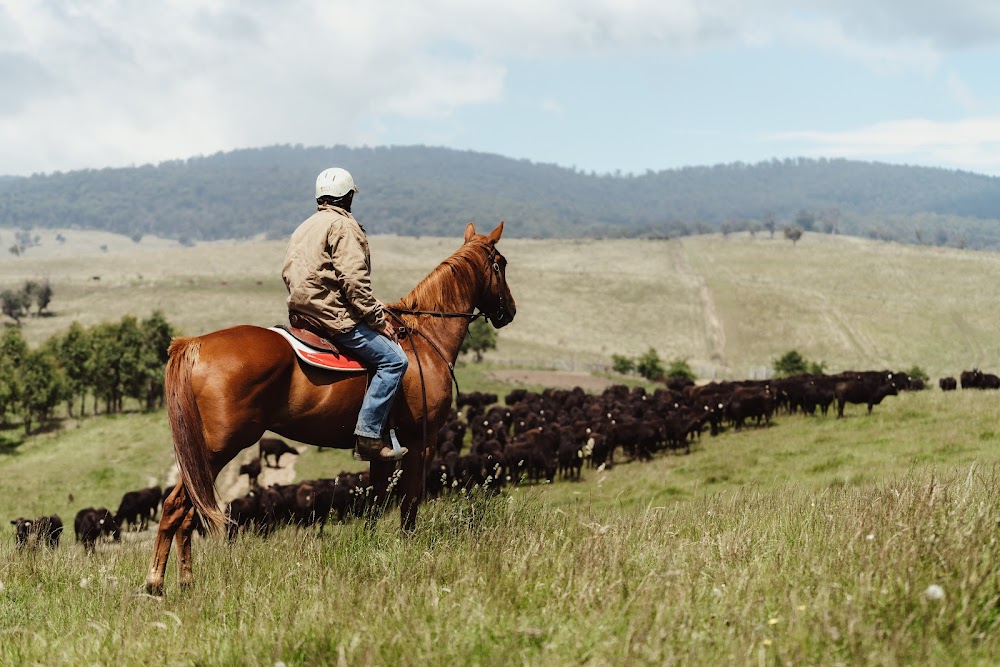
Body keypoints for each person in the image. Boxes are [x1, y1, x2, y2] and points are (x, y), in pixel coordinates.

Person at [282, 167, 409, 462]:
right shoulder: (343, 226)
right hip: (333, 317)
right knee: (394, 360)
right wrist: (378, 320)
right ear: (348, 197)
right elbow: (354, 283)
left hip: (302, 314)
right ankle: (368, 435)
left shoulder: (305, 226)